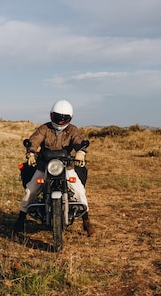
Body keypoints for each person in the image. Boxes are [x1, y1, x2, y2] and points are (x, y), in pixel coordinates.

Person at [13, 99, 95, 237]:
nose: (61, 122)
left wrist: (81, 151)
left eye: (64, 119)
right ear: (51, 115)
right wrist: (31, 152)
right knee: (30, 190)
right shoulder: (44, 128)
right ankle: (20, 220)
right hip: (44, 166)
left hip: (66, 166)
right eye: (58, 118)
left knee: (79, 191)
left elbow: (79, 141)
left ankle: (86, 222)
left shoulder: (72, 130)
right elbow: (34, 139)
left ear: (69, 118)